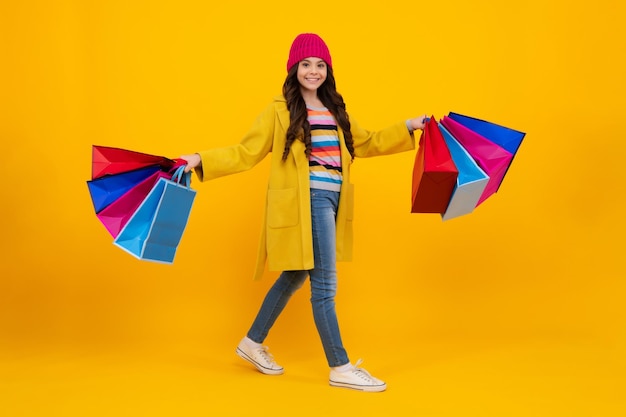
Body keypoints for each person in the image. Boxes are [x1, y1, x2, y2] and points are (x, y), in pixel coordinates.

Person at [180, 33, 426, 392]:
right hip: (308, 200)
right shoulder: (279, 112)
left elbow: (369, 141)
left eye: (320, 65)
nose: (313, 71)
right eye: (306, 64)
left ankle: (251, 342)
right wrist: (201, 159)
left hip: (332, 201)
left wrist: (407, 126)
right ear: (294, 69)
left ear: (328, 70)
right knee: (325, 285)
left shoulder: (336, 111)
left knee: (295, 276)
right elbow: (245, 151)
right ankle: (339, 366)